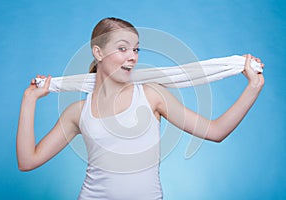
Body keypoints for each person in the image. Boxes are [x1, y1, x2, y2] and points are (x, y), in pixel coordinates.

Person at [16, 17, 264, 200]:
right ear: (98, 52)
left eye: (135, 49)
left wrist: (253, 87)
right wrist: (30, 99)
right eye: (122, 48)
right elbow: (28, 161)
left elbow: (215, 131)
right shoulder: (78, 112)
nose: (133, 56)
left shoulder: (151, 95)